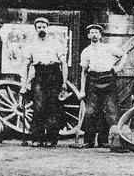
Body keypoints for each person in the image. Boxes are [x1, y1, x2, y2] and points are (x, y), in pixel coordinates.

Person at [20, 17, 68, 147]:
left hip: (54, 75)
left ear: (48, 28)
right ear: (36, 29)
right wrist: (23, 85)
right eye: (39, 27)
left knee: (53, 106)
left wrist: (64, 82)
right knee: (39, 106)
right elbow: (25, 65)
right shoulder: (31, 45)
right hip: (39, 75)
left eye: (44, 27)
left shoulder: (56, 43)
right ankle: (37, 137)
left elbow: (63, 63)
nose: (42, 29)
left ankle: (52, 138)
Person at [79, 24, 123, 148]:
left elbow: (123, 55)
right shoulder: (86, 51)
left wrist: (118, 67)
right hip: (93, 80)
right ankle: (89, 141)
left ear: (100, 35)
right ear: (88, 36)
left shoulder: (108, 48)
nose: (94, 35)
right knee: (90, 112)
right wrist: (82, 90)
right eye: (91, 32)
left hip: (108, 80)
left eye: (96, 32)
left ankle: (103, 140)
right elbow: (83, 72)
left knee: (108, 110)